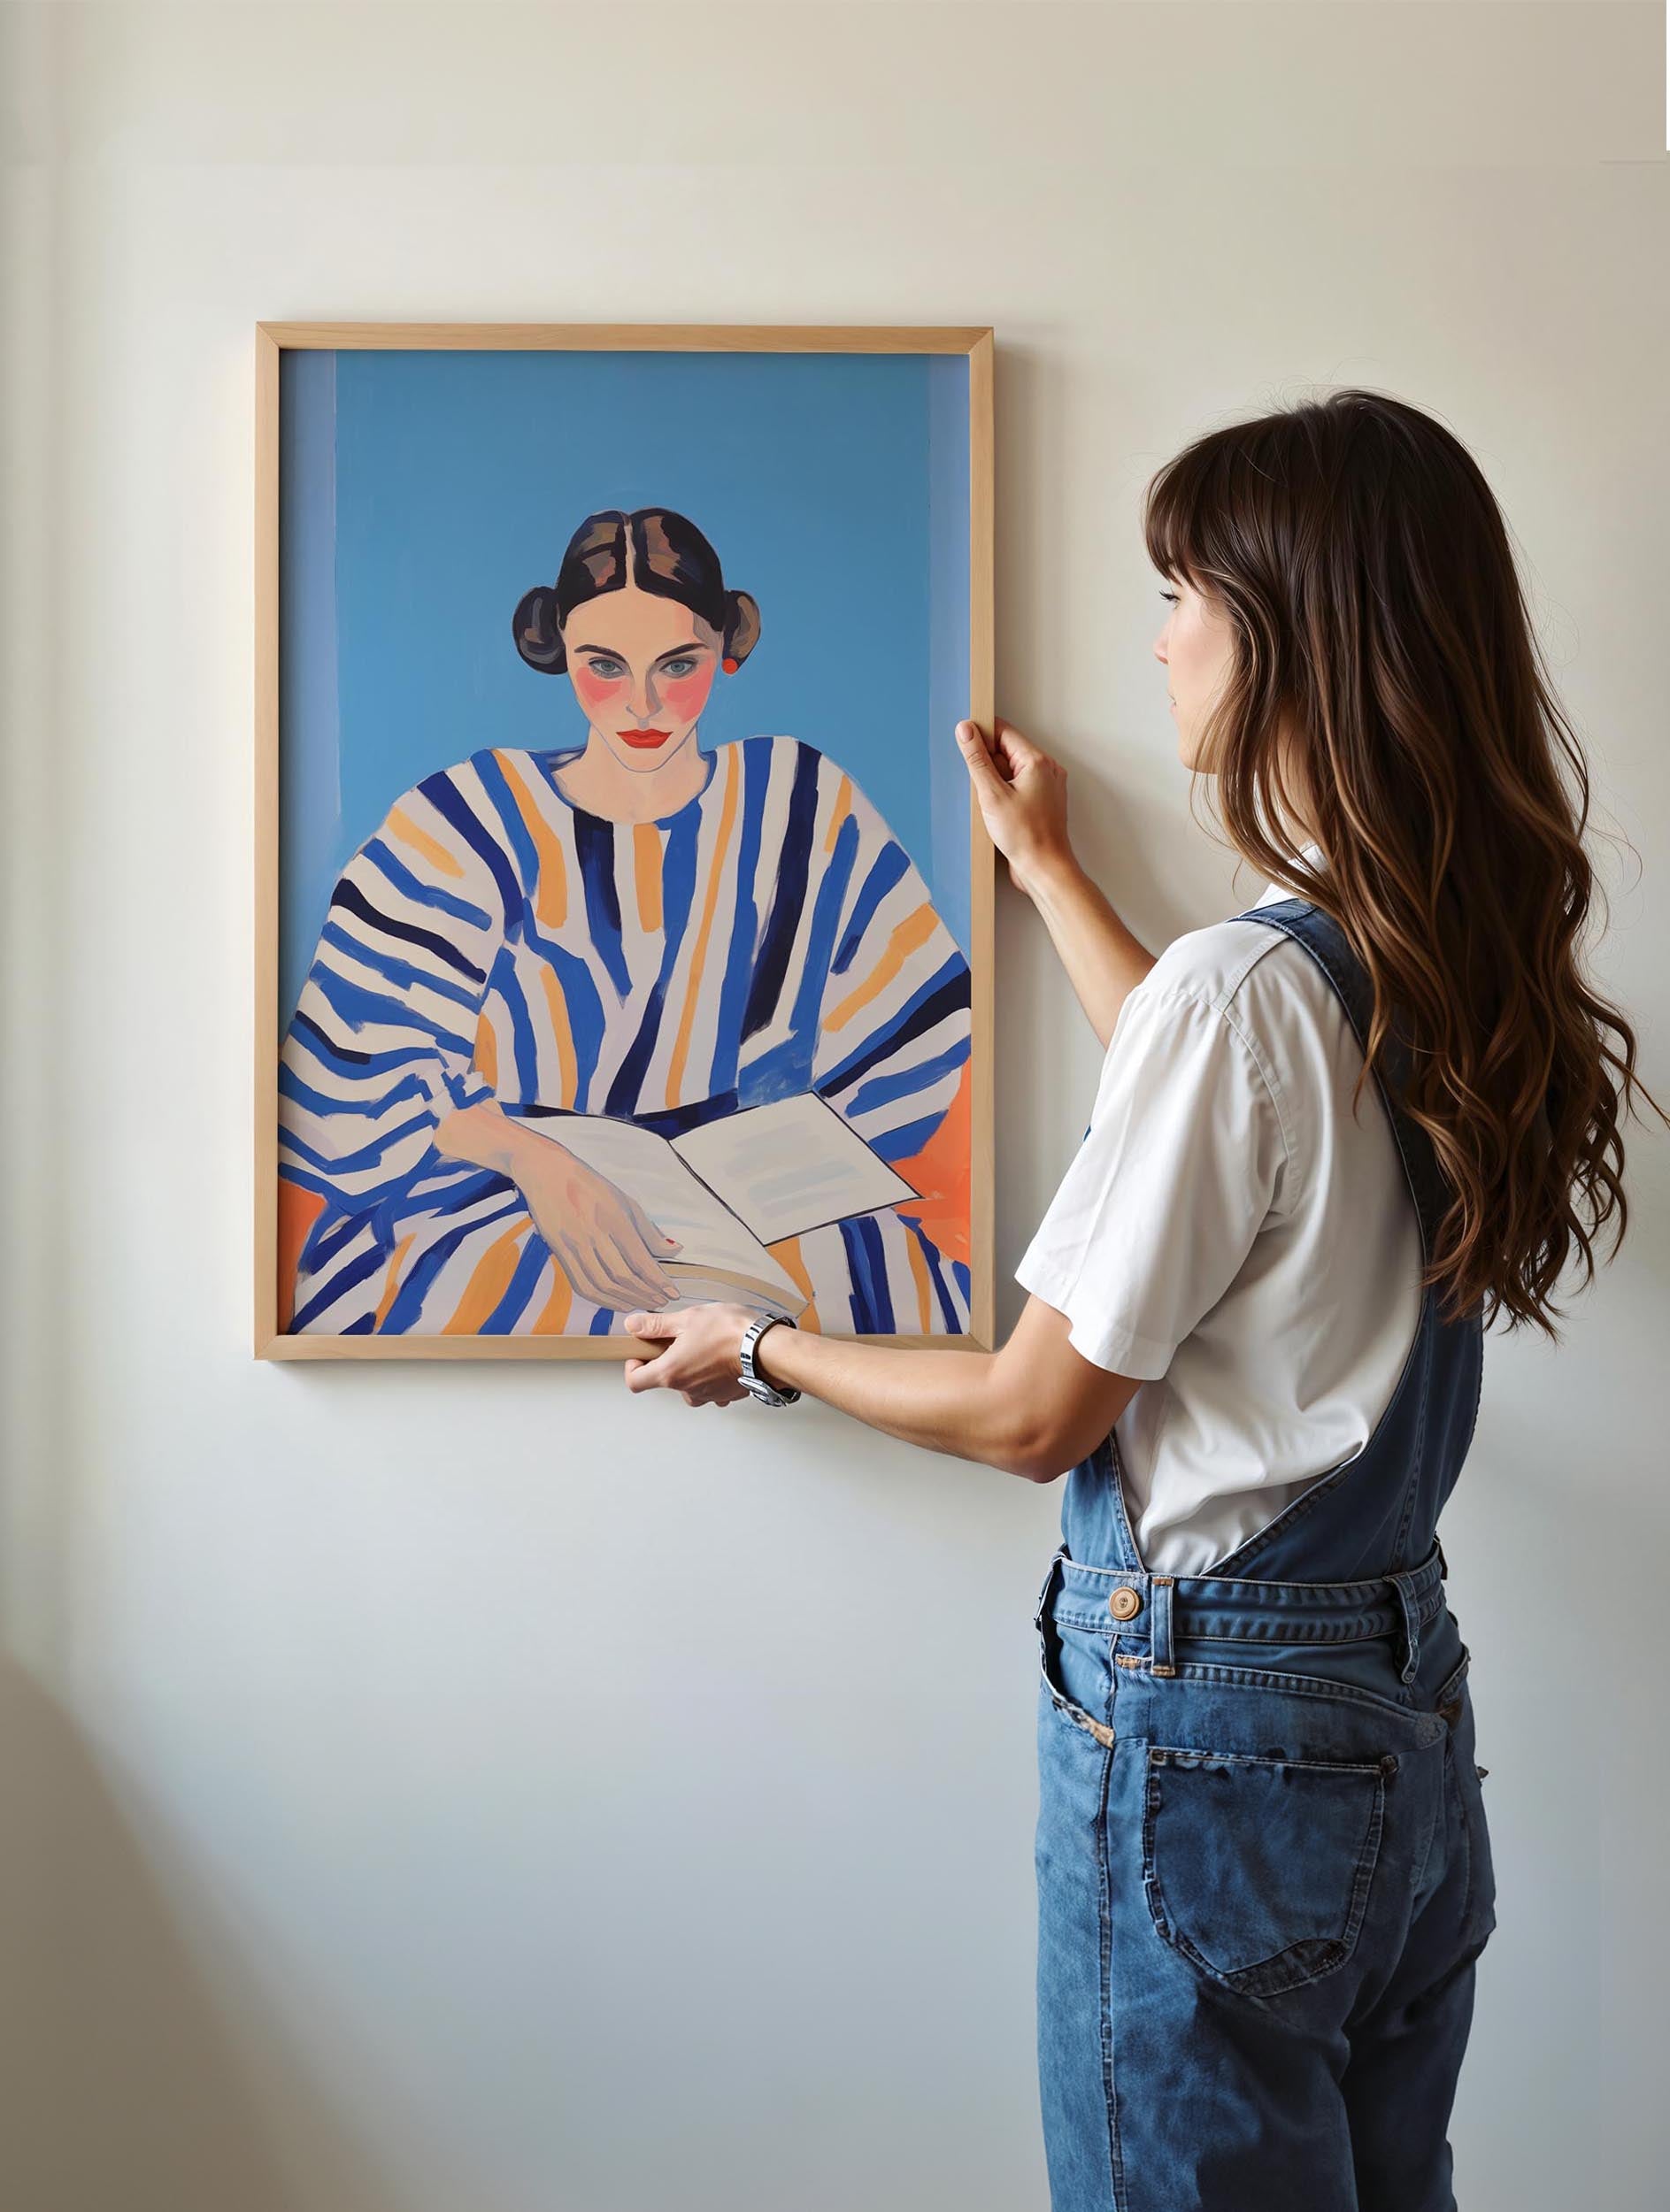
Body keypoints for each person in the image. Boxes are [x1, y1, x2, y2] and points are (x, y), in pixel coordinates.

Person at [620, 389, 1661, 2208]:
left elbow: (1035, 1417)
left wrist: (763, 1341)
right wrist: (1048, 872)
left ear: (1289, 638)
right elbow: (1237, 1130)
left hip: (1220, 1737)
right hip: (1395, 1712)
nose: (1157, 634)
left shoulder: (1245, 996)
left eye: (1181, 591)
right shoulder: (1434, 951)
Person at [276, 505, 972, 1337]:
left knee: (866, 1279)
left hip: (748, 1207)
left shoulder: (801, 803)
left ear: (728, 647)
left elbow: (910, 1048)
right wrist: (534, 1161)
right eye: (604, 664)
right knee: (533, 1289)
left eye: (679, 664)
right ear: (557, 649)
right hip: (497, 1196)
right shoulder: (468, 819)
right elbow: (354, 1075)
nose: (643, 702)